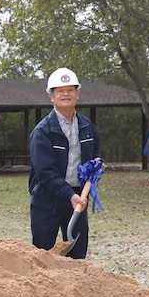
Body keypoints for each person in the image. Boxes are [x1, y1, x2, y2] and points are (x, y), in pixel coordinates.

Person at [29, 67, 103, 259]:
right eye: (60, 91)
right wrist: (68, 194)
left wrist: (97, 163)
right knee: (42, 255)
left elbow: (95, 152)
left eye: (70, 90)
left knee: (78, 254)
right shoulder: (42, 132)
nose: (65, 94)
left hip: (78, 198)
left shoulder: (87, 126)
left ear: (77, 94)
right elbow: (45, 173)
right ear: (51, 97)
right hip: (47, 199)